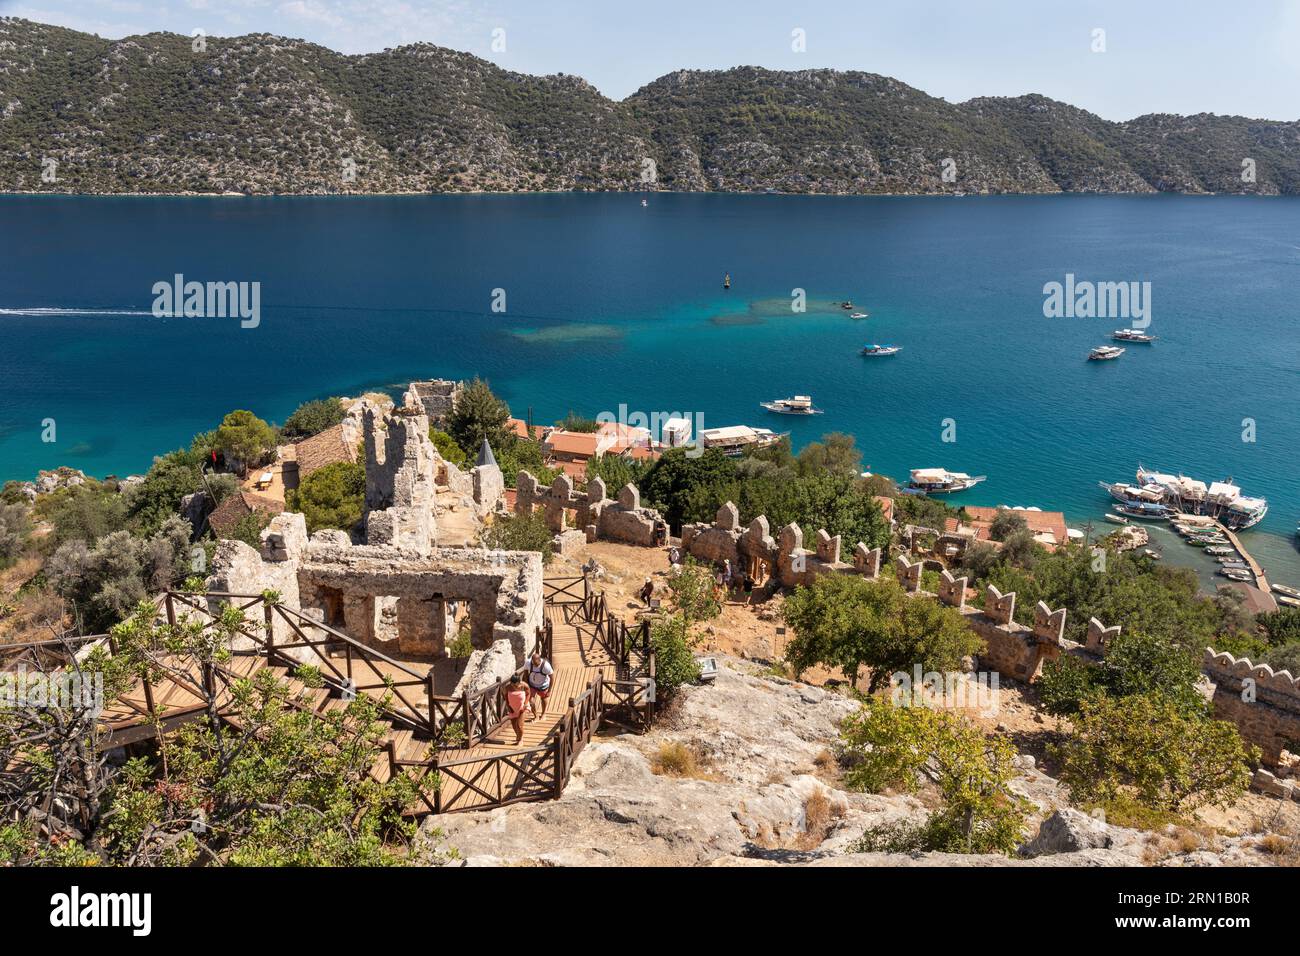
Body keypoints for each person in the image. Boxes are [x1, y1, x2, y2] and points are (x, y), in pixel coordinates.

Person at [525, 651, 554, 719]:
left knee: (543, 698)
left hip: (543, 685)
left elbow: (552, 678)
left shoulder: (546, 666)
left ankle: (543, 713)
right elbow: (525, 673)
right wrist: (527, 684)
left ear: (539, 660)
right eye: (533, 663)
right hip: (532, 684)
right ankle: (536, 716)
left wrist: (549, 691)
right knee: (531, 701)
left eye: (536, 663)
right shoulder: (528, 663)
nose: (534, 665)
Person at [503, 675, 529, 745]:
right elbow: (505, 697)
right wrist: (508, 707)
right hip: (512, 707)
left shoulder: (524, 685)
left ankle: (520, 740)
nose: (514, 686)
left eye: (515, 685)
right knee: (514, 725)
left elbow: (528, 694)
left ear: (519, 682)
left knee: (519, 725)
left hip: (522, 707)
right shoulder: (507, 687)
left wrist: (525, 704)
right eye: (512, 684)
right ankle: (519, 736)